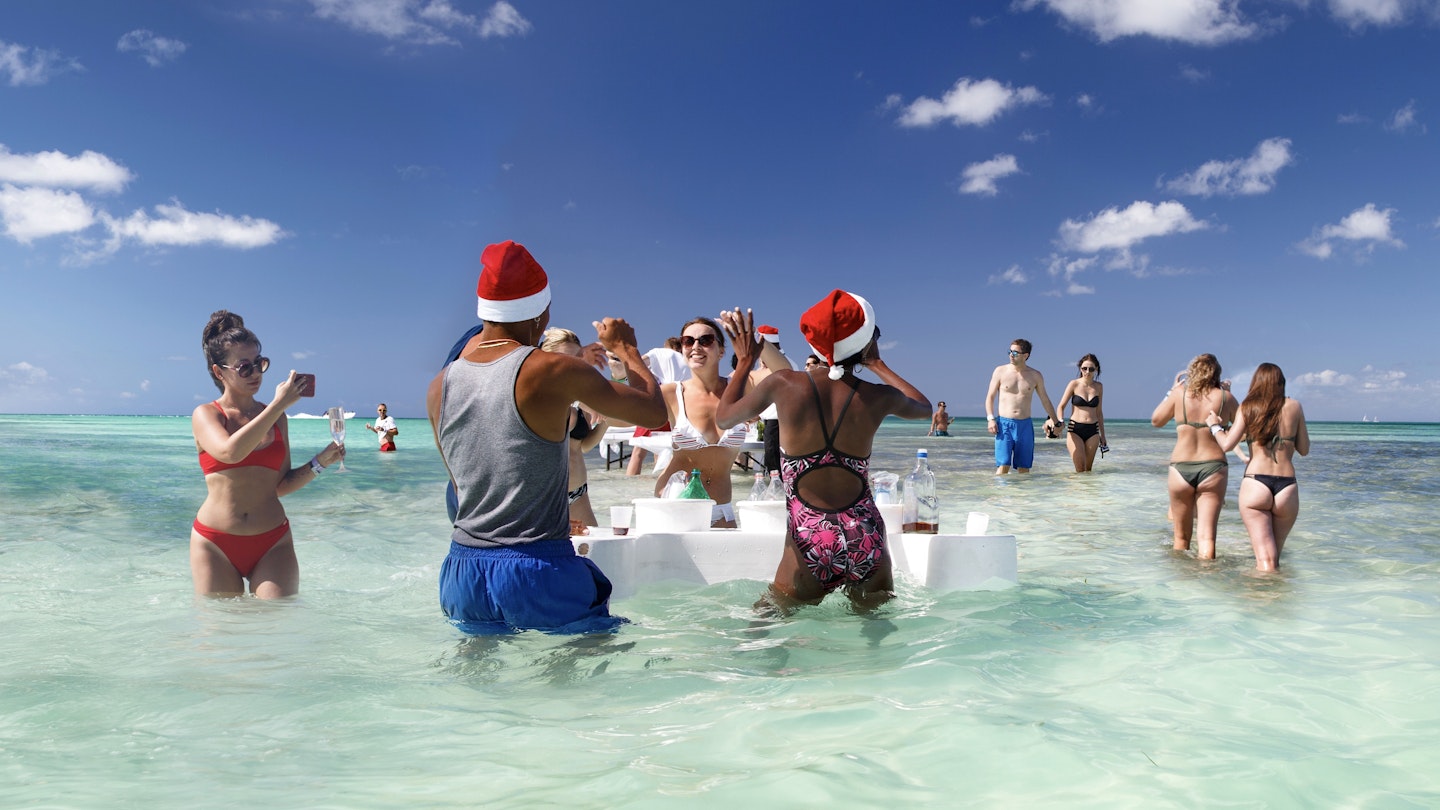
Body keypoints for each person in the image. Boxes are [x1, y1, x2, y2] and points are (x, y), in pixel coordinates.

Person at [426, 240, 666, 634]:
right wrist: (627, 349)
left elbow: (460, 483)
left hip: (462, 572)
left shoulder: (440, 386)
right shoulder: (552, 370)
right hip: (537, 568)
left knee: (478, 685)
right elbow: (654, 413)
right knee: (588, 675)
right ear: (542, 312)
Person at [715, 291, 931, 613]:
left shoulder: (785, 384)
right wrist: (877, 363)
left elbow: (725, 417)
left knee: (767, 625)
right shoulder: (877, 396)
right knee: (878, 642)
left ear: (813, 342)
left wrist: (746, 361)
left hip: (810, 536)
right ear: (866, 342)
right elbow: (925, 408)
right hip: (866, 535)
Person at [190, 310, 345, 598]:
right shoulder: (207, 415)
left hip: (273, 541)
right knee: (221, 633)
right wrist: (278, 405)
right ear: (219, 372)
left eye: (260, 364)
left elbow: (281, 485)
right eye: (244, 367)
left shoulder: (276, 417)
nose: (256, 374)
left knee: (278, 630)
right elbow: (229, 452)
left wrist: (320, 462)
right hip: (215, 543)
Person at [1207, 363, 1310, 572]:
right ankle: (1278, 599)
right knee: (1274, 560)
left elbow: (1226, 445)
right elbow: (1304, 449)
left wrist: (1214, 425)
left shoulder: (1248, 407)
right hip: (1287, 487)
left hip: (1256, 483)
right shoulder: (1295, 406)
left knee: (1264, 560)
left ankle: (1260, 600)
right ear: (1281, 383)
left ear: (1256, 382)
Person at [652, 317, 750, 527]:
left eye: (705, 340)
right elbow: (623, 412)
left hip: (722, 504)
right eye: (688, 341)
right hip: (676, 501)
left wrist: (753, 338)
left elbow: (781, 372)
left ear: (722, 350)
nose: (696, 346)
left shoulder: (740, 389)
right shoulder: (671, 393)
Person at [1150, 353, 1238, 560]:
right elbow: (1246, 430)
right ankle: (1207, 582)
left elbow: (1156, 421)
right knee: (1207, 538)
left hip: (1181, 467)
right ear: (1217, 373)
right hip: (1213, 468)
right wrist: (1221, 423)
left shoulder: (1179, 393)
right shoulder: (1225, 397)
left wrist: (1171, 391)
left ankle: (1182, 586)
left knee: (1180, 538)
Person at [540, 327, 610, 530]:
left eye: (578, 358)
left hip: (579, 492)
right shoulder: (540, 398)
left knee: (594, 553)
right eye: (566, 358)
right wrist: (581, 399)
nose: (573, 364)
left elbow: (582, 446)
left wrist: (606, 423)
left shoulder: (579, 399)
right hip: (550, 499)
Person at [983, 338, 1060, 474]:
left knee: (1024, 468)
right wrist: (990, 419)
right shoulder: (1000, 371)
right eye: (1010, 351)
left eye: (1015, 352)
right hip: (1004, 424)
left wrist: (1056, 422)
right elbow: (990, 397)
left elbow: (1045, 400)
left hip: (1025, 426)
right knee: (1003, 465)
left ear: (1026, 355)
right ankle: (1000, 495)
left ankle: (1022, 495)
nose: (1011, 355)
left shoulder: (1035, 375)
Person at [624, 336, 689, 476]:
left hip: (656, 403)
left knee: (638, 451)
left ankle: (630, 484)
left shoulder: (658, 353)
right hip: (678, 405)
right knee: (666, 447)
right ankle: (662, 479)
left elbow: (637, 363)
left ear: (667, 346)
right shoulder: (687, 361)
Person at [1056, 354, 1106, 472]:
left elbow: (1099, 412)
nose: (1087, 371)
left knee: (1088, 470)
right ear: (1080, 368)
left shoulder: (1099, 387)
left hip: (1093, 430)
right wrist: (1060, 421)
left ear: (1096, 369)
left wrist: (1103, 435)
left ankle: (1088, 491)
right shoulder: (1074, 384)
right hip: (1075, 429)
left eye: (1091, 369)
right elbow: (1061, 406)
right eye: (1084, 368)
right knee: (1080, 468)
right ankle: (1074, 490)